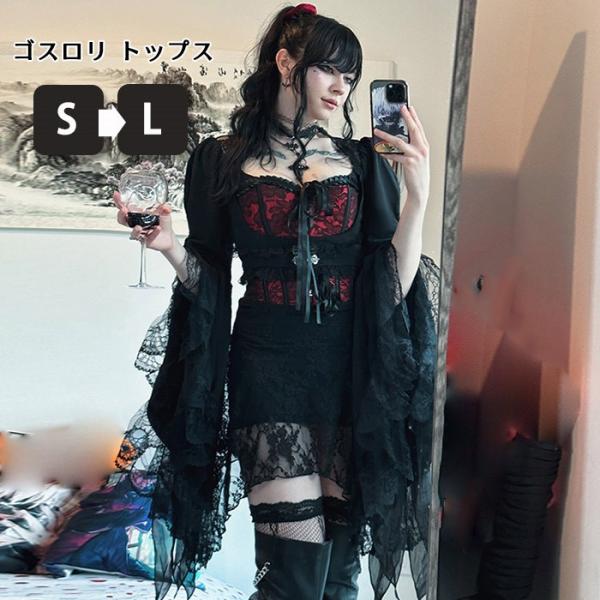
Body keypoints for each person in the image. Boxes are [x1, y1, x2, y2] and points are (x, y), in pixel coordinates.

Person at [110, 3, 439, 600]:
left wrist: (417, 197)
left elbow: (392, 284)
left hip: (350, 374)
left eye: (350, 76)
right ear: (287, 64)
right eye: (329, 70)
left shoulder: (365, 162)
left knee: (338, 577)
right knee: (291, 575)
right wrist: (169, 247)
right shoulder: (221, 158)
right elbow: (209, 276)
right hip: (267, 367)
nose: (342, 87)